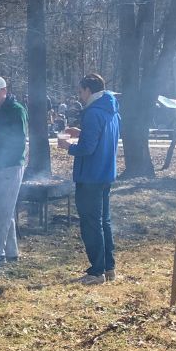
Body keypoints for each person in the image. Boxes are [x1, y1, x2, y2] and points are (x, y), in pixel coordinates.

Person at [59, 73, 119, 285]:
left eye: (80, 91)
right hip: (105, 173)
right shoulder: (110, 110)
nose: (79, 95)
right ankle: (109, 267)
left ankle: (96, 271)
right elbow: (100, 138)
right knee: (104, 221)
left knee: (91, 224)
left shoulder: (92, 113)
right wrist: (81, 132)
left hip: (91, 176)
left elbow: (87, 148)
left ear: (88, 90)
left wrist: (68, 147)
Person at [0, 76, 28, 266]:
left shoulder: (17, 110)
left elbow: (20, 141)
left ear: (4, 91)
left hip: (12, 164)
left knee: (1, 210)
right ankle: (11, 252)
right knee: (4, 208)